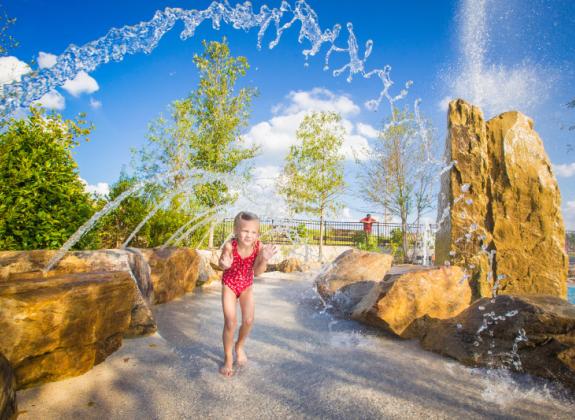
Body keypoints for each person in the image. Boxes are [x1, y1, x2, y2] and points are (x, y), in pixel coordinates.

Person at [218, 211, 277, 377]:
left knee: (249, 320)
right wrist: (224, 263)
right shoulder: (230, 245)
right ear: (236, 230)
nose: (249, 235)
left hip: (246, 286)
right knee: (230, 322)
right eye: (245, 231)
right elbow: (223, 262)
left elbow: (257, 272)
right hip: (229, 285)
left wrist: (264, 259)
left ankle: (239, 346)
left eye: (253, 232)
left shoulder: (259, 247)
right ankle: (228, 357)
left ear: (257, 233)